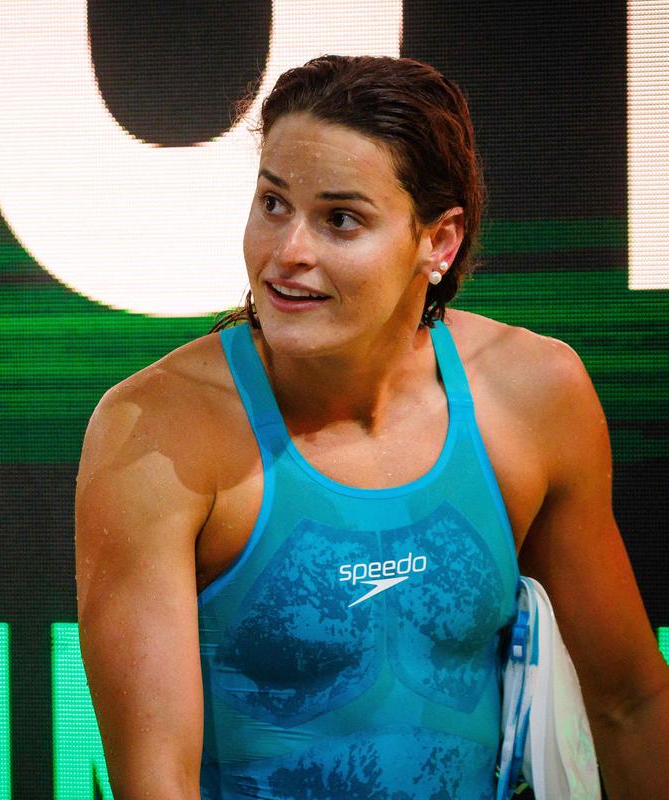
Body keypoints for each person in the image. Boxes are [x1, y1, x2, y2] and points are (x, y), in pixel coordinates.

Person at [75, 55, 669, 799]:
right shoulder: (155, 430)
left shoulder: (533, 394)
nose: (288, 253)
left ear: (439, 242)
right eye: (273, 204)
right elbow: (155, 783)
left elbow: (629, 702)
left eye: (340, 220)